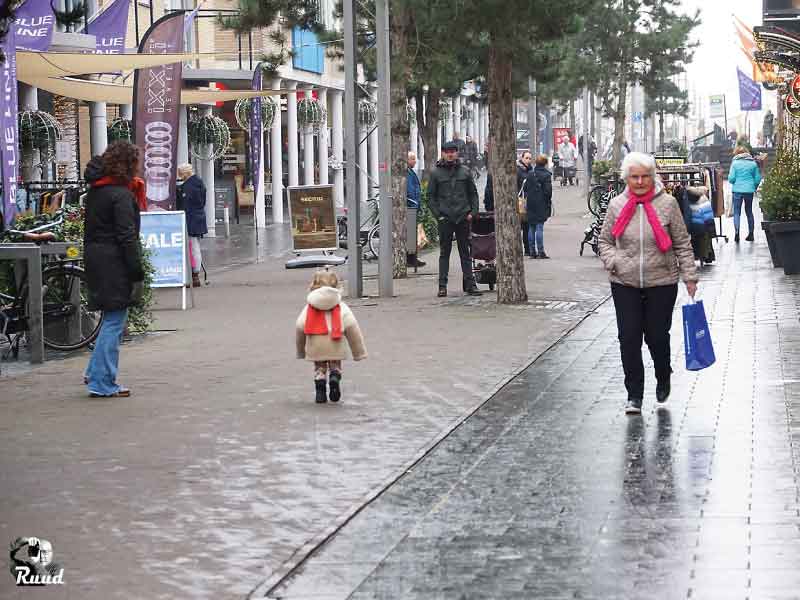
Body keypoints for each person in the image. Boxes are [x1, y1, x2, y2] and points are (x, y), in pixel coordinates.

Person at [598, 152, 698, 415]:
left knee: (656, 337)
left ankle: (663, 375)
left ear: (652, 177)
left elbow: (682, 243)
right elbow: (604, 241)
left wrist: (689, 276)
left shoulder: (667, 204)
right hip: (624, 281)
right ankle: (634, 394)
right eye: (634, 177)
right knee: (629, 338)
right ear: (627, 178)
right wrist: (614, 261)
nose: (640, 181)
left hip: (661, 281)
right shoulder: (617, 205)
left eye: (644, 176)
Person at [83, 141, 144, 398]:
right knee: (114, 321)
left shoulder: (97, 191)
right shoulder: (120, 195)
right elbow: (126, 236)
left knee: (111, 318)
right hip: (114, 261)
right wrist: (136, 270)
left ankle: (95, 372)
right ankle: (101, 380)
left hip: (97, 257)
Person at [295, 270, 367, 404]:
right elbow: (352, 327)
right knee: (335, 365)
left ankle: (320, 389)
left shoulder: (309, 307)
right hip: (335, 343)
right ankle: (335, 375)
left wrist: (300, 351)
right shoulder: (341, 306)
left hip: (316, 345)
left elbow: (299, 326)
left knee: (319, 368)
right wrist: (359, 353)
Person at [428, 141, 481, 297]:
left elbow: (473, 194)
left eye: (453, 151)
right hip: (446, 218)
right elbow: (431, 197)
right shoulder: (436, 173)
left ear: (457, 153)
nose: (450, 154)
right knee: (444, 253)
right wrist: (439, 215)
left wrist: (473, 212)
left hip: (463, 217)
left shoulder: (465, 172)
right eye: (447, 151)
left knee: (466, 253)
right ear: (443, 153)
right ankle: (442, 286)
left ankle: (470, 285)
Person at [176, 164, 208, 287]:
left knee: (192, 247)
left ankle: (193, 274)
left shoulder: (188, 187)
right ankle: (195, 274)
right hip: (198, 218)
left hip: (190, 219)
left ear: (184, 174)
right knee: (195, 245)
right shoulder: (199, 183)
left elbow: (185, 205)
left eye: (180, 174)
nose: (179, 177)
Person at [728, 145, 762, 243]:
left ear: (737, 153)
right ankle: (751, 234)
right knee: (749, 211)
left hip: (737, 191)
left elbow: (731, 178)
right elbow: (757, 179)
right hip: (749, 191)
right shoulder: (753, 164)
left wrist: (736, 182)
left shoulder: (734, 163)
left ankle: (737, 233)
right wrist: (753, 187)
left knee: (737, 212)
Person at [526, 155, 553, 259]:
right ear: (545, 163)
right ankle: (541, 251)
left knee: (531, 227)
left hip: (531, 202)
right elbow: (548, 192)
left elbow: (526, 189)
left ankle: (532, 251)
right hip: (541, 203)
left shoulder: (530, 174)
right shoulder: (546, 175)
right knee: (539, 226)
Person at [406, 152, 425, 268]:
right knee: (411, 234)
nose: (414, 161)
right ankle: (411, 259)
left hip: (413, 205)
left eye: (415, 158)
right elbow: (410, 190)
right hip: (411, 206)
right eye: (412, 159)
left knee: (412, 234)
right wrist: (414, 202)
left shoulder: (410, 172)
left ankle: (413, 258)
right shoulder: (407, 173)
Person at [516, 151, 534, 255]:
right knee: (520, 225)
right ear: (522, 158)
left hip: (528, 201)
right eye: (526, 158)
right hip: (520, 201)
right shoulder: (518, 171)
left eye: (530, 158)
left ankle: (527, 249)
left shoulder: (531, 170)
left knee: (527, 226)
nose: (528, 160)